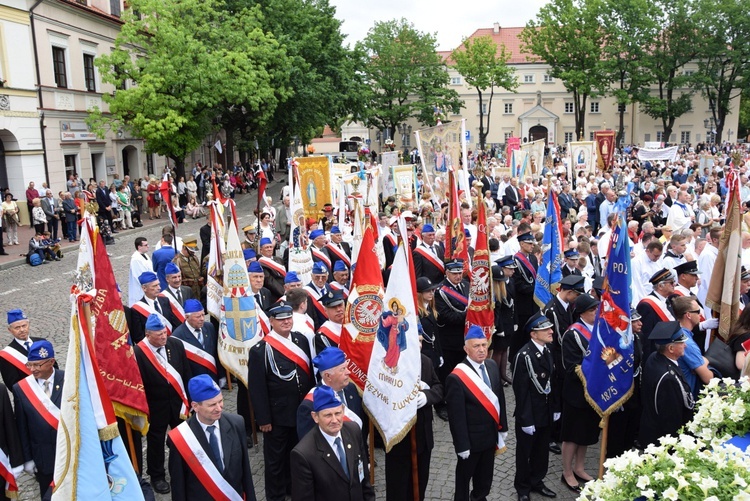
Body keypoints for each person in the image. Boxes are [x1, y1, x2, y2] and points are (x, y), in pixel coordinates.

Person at [248, 302, 314, 501]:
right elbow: (257, 388)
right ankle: (275, 496)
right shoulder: (260, 349)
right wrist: (263, 419)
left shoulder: (300, 340)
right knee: (275, 461)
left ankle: (293, 490)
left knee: (297, 455)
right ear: (271, 321)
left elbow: (308, 375)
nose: (286, 322)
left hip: (301, 412)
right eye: (281, 319)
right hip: (277, 416)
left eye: (288, 318)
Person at [167, 375, 256, 501]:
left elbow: (246, 473)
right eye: (212, 405)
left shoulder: (237, 423)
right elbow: (178, 487)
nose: (219, 408)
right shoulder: (180, 438)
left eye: (220, 401)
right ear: (196, 406)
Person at [446, 325, 508, 501]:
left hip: (490, 437)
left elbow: (500, 399)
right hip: (471, 442)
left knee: (485, 479)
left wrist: (503, 426)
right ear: (466, 349)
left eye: (484, 345)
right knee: (464, 480)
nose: (482, 350)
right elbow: (456, 417)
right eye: (476, 346)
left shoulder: (491, 365)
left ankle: (479, 497)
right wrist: (462, 445)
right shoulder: (457, 377)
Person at [134, 313, 193, 494]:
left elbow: (186, 372)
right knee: (156, 441)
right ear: (148, 335)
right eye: (159, 335)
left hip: (178, 402)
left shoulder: (175, 344)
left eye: (164, 333)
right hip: (155, 405)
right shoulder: (138, 353)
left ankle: (186, 467)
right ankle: (157, 476)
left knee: (183, 436)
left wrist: (190, 399)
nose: (163, 337)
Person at [290, 385, 375, 501]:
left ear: (343, 411)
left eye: (338, 413)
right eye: (328, 415)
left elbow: (364, 479)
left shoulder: (353, 430)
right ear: (315, 417)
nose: (335, 420)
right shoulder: (303, 454)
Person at [385, 335, 443, 501]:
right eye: (413, 341)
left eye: (420, 341)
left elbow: (438, 387)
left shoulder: (425, 361)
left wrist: (427, 397)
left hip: (423, 438)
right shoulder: (390, 364)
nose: (418, 345)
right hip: (399, 439)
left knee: (420, 485)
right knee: (399, 488)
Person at [513, 312, 559, 501]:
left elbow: (552, 383)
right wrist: (525, 419)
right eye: (545, 329)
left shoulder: (548, 350)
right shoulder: (524, 356)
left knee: (541, 451)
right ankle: (523, 487)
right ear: (533, 334)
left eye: (549, 328)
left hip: (545, 411)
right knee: (525, 453)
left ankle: (537, 480)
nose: (551, 331)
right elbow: (521, 391)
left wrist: (556, 408)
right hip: (530, 414)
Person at [560, 294, 601, 493]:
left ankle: (580, 467)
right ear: (582, 313)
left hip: (594, 392)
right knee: (572, 435)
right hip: (577, 392)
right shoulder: (573, 334)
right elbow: (571, 366)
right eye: (593, 310)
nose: (597, 312)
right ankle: (567, 471)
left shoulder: (600, 330)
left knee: (586, 433)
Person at [13, 340, 64, 497]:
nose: (33, 370)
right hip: (43, 458)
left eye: (38, 365)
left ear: (51, 362)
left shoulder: (69, 379)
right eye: (30, 365)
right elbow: (22, 427)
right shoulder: (21, 389)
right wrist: (27, 459)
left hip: (68, 452)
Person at [638, 321, 694, 447]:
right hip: (662, 440)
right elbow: (671, 418)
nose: (685, 346)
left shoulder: (654, 357)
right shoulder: (669, 378)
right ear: (670, 348)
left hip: (650, 428)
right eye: (682, 343)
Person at [297, 347, 364, 440]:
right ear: (328, 376)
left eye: (347, 367)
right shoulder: (309, 405)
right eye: (342, 369)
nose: (348, 372)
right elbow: (308, 445)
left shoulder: (351, 389)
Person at [434, 259, 469, 422]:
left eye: (459, 273)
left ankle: (459, 398)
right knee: (446, 374)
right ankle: (442, 404)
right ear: (446, 273)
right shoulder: (440, 292)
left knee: (462, 371)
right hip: (448, 341)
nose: (458, 276)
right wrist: (469, 315)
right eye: (454, 273)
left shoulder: (466, 285)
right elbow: (446, 316)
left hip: (464, 339)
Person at [171, 299, 224, 386]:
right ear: (187, 317)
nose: (202, 319)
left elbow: (216, 353)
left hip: (213, 378)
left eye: (203, 315)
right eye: (198, 317)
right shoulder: (177, 336)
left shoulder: (209, 327)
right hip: (195, 383)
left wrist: (221, 375)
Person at [0, 309, 52, 390]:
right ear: (10, 330)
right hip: (29, 396)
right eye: (17, 327)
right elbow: (12, 384)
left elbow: (53, 366)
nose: (22, 330)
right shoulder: (6, 355)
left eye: (24, 326)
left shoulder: (42, 342)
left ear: (29, 325)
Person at [130, 271, 178, 343]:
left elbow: (173, 323)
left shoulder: (165, 300)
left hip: (170, 343)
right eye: (154, 286)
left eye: (158, 284)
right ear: (144, 288)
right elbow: (138, 336)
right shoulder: (137, 309)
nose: (159, 288)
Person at [492, 256, 518, 386]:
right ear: (502, 269)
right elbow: (497, 309)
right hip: (500, 323)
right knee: (498, 350)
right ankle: (496, 376)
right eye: (510, 269)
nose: (513, 271)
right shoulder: (496, 285)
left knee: (504, 349)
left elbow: (513, 303)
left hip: (508, 321)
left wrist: (515, 321)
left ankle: (503, 375)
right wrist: (499, 328)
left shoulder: (511, 282)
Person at [416, 277, 443, 371]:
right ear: (420, 293)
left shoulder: (430, 309)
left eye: (432, 290)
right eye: (428, 291)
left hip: (433, 353)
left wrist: (440, 354)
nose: (431, 293)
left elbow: (436, 334)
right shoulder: (416, 313)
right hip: (423, 354)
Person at [128, 237, 153, 307]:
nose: (148, 246)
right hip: (141, 289)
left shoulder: (145, 255)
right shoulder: (136, 259)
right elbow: (140, 276)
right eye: (146, 245)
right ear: (139, 247)